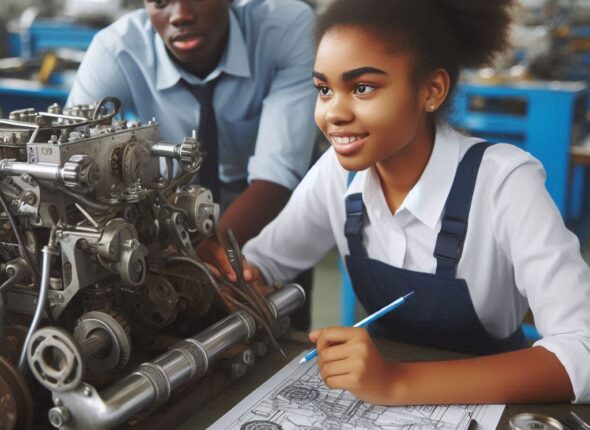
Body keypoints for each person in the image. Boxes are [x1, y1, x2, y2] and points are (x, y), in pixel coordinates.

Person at [206, 0, 590, 404]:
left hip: (491, 403)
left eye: (362, 87)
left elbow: (583, 349)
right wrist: (239, 278)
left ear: (431, 90)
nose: (334, 113)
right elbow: (264, 265)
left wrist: (395, 383)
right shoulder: (337, 176)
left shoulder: (503, 182)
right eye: (324, 89)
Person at [67, 0, 318, 329]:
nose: (180, 15)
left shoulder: (288, 27)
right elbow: (72, 155)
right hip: (176, 202)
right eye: (160, 2)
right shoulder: (116, 49)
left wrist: (205, 257)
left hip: (269, 202)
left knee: (275, 314)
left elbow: (279, 172)